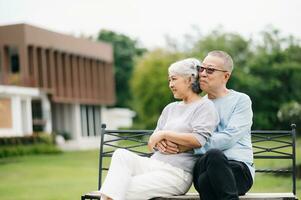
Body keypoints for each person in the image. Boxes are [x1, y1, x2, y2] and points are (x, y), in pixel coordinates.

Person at [99, 58, 219, 200]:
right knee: (120, 154)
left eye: (174, 79)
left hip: (176, 174)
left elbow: (198, 140)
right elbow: (152, 143)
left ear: (189, 79)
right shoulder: (170, 108)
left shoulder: (205, 106)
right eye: (169, 80)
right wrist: (160, 140)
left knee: (117, 190)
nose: (170, 84)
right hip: (153, 164)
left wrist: (164, 134)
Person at [158, 50, 254, 200]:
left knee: (209, 171)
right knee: (208, 167)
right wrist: (163, 143)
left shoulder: (241, 100)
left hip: (237, 170)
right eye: (201, 69)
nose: (202, 74)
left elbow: (229, 137)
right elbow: (170, 132)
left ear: (226, 76)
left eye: (210, 70)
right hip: (203, 166)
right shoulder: (197, 104)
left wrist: (191, 144)